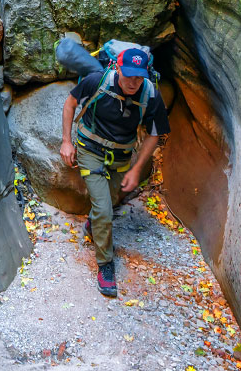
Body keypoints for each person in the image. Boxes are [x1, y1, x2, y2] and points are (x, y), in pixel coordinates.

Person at [60, 47, 170, 297]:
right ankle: (105, 265)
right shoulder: (97, 81)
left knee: (107, 204)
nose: (133, 82)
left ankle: (93, 224)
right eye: (129, 75)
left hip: (120, 157)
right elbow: (70, 104)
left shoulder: (150, 94)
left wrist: (137, 169)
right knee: (103, 208)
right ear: (118, 69)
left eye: (139, 77)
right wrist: (66, 141)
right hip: (90, 150)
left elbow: (155, 133)